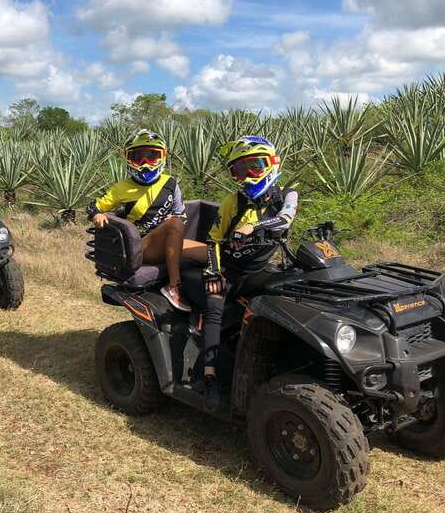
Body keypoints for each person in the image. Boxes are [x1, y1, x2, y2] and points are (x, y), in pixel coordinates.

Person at [201, 136, 298, 411]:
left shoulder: (287, 194)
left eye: (255, 166)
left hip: (259, 271)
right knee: (213, 308)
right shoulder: (232, 202)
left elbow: (285, 219)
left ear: (272, 163)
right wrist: (212, 272)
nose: (248, 176)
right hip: (230, 270)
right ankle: (210, 377)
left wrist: (253, 227)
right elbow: (213, 240)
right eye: (239, 170)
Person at [87, 129, 203, 311]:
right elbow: (93, 206)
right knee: (174, 224)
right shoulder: (121, 188)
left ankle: (205, 302)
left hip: (169, 240)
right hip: (141, 247)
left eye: (151, 157)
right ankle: (173, 286)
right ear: (128, 160)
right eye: (138, 158)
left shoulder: (170, 183)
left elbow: (182, 214)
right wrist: (97, 214)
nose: (145, 163)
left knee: (210, 253)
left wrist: (175, 219)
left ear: (162, 157)